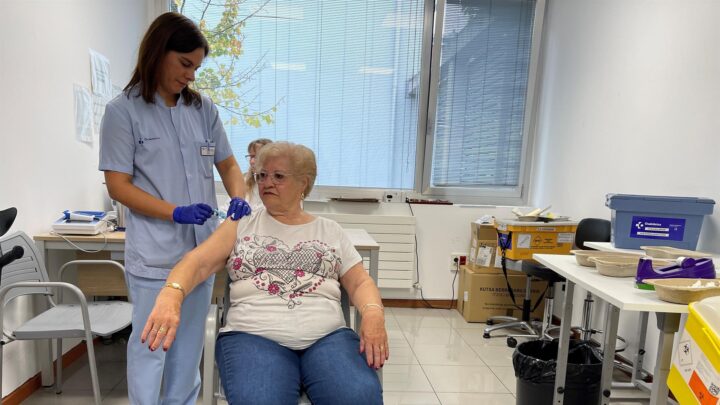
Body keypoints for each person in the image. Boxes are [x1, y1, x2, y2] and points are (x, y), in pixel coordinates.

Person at [142, 142, 386, 405]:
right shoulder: (241, 224)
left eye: (278, 176)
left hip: (327, 337)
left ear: (304, 183)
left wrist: (373, 313)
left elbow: (360, 281)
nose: (267, 183)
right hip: (253, 336)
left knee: (359, 396)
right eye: (262, 176)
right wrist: (171, 294)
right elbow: (198, 262)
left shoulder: (331, 230)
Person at [98, 12, 251, 405]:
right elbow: (118, 186)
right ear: (158, 51)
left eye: (197, 67)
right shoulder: (122, 112)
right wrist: (174, 212)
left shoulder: (203, 109)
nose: (191, 76)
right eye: (185, 64)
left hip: (200, 254)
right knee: (152, 348)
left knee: (187, 351)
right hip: (155, 256)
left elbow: (229, 164)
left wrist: (239, 197)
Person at [244, 138, 273, 210]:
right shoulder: (244, 180)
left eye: (256, 157)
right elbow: (227, 208)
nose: (252, 161)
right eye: (251, 156)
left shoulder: (278, 184)